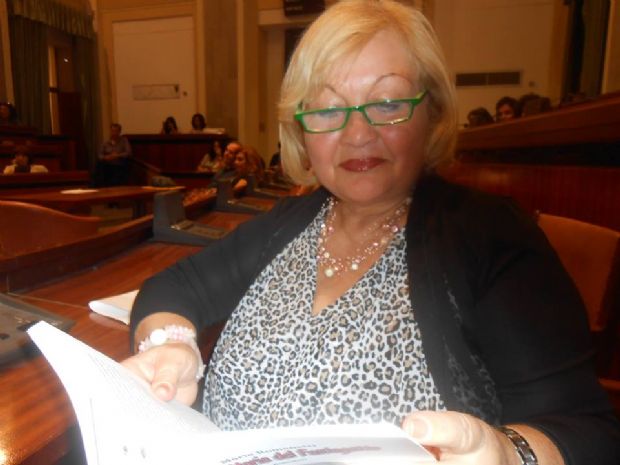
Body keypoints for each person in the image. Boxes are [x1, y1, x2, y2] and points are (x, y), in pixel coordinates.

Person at [123, 2, 620, 465]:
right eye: (327, 109)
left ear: (431, 113)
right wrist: (173, 346)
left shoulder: (488, 236)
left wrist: (506, 452)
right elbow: (174, 288)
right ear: (301, 130)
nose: (358, 134)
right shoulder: (290, 221)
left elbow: (587, 431)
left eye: (387, 103)